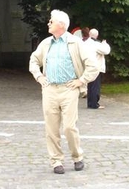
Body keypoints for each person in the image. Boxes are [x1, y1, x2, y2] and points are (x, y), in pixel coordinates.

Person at [29, 9, 100, 174]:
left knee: (69, 127)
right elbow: (33, 60)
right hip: (50, 89)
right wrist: (39, 77)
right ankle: (56, 161)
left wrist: (81, 81)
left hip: (69, 89)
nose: (48, 23)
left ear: (61, 25)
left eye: (51, 21)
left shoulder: (76, 43)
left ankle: (77, 156)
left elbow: (93, 66)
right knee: (51, 128)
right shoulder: (46, 43)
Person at [84, 28, 111, 109]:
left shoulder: (85, 43)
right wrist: (105, 44)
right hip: (96, 67)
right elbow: (106, 51)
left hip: (88, 66)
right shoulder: (96, 44)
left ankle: (90, 103)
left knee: (90, 85)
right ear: (97, 35)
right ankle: (94, 104)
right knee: (95, 86)